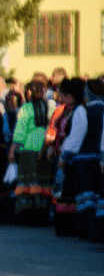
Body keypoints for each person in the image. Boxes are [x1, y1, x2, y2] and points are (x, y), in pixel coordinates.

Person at [56, 78, 103, 238]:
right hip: (97, 158)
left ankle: (88, 230)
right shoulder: (101, 109)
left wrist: (65, 155)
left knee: (85, 196)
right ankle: (94, 229)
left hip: (83, 159)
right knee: (94, 196)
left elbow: (76, 135)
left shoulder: (83, 111)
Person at [9, 82, 53, 223]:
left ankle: (27, 216)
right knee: (43, 183)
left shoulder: (26, 108)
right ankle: (43, 214)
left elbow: (20, 132)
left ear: (30, 93)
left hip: (28, 151)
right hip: (45, 151)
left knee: (27, 184)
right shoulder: (50, 108)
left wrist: (12, 150)